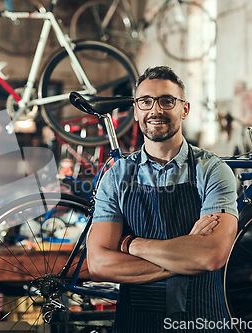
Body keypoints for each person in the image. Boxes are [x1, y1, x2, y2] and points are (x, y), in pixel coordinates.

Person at [88, 66, 238, 332]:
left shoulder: (213, 171)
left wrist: (132, 244)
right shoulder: (116, 177)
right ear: (135, 111)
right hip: (136, 325)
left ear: (185, 109)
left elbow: (211, 256)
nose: (155, 110)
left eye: (167, 100)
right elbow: (99, 265)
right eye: (145, 101)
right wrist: (186, 257)